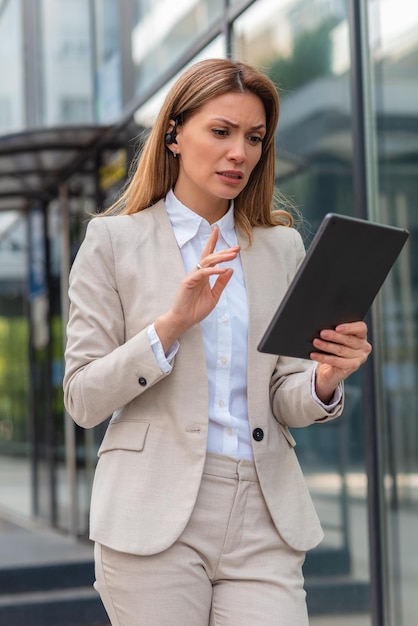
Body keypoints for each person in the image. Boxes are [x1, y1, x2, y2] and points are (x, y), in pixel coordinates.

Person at [63, 58, 372, 626]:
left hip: (264, 511)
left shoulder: (280, 249)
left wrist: (325, 380)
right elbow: (82, 399)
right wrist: (170, 326)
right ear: (175, 134)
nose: (240, 153)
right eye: (221, 132)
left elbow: (282, 394)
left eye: (254, 138)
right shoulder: (112, 241)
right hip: (153, 514)